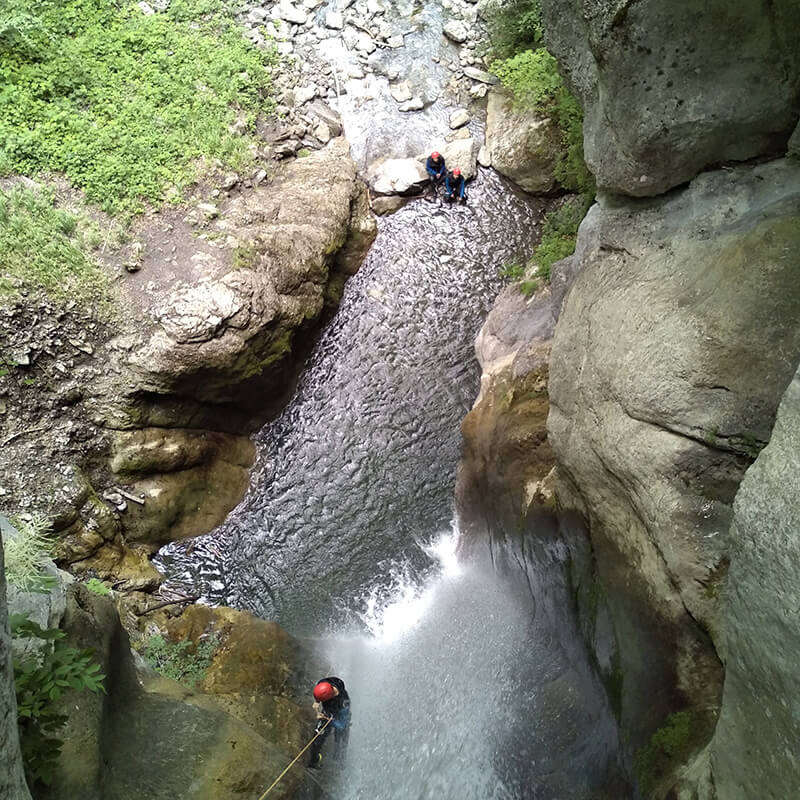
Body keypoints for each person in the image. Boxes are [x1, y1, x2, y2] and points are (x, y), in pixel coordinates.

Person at [307, 676, 351, 769]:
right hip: (328, 712)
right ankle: (314, 761)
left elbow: (342, 724)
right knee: (317, 737)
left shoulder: (344, 701)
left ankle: (340, 761)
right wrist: (317, 703)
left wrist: (331, 720)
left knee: (340, 740)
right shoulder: (324, 683)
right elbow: (319, 692)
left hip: (339, 716)